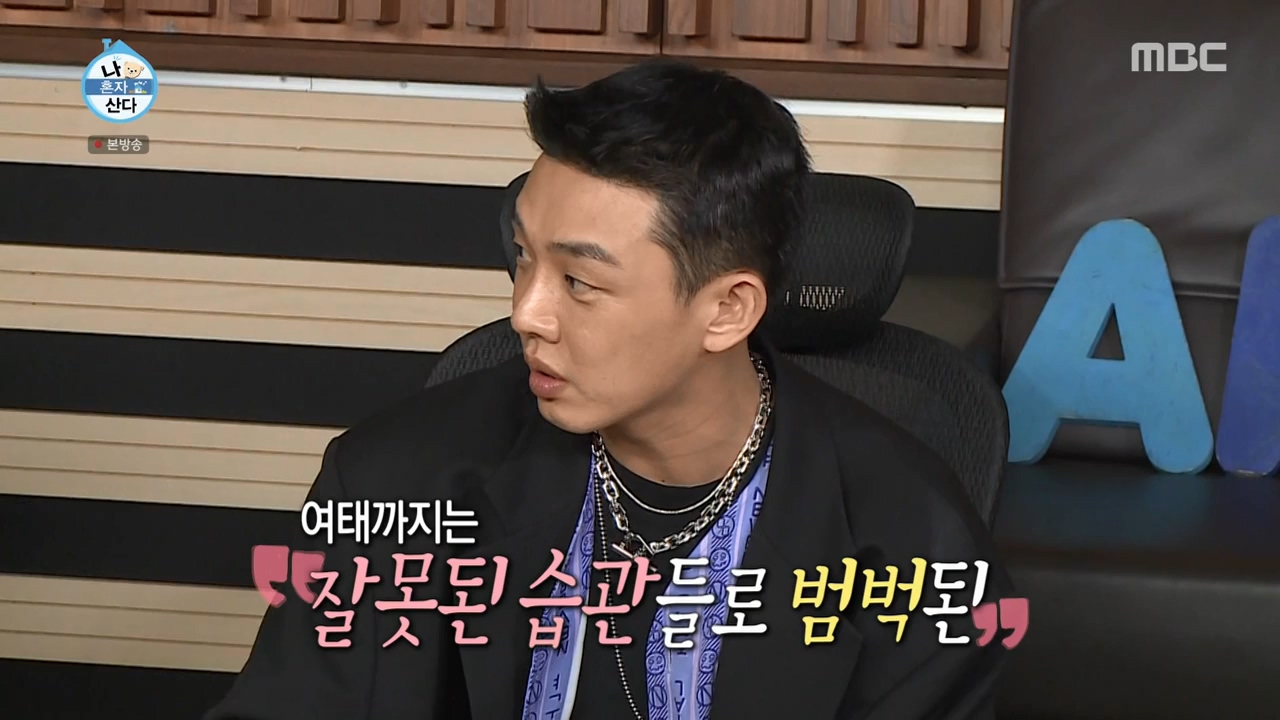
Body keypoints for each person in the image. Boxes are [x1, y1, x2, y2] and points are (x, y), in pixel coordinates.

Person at [205, 59, 1012, 720]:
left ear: (727, 310)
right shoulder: (394, 482)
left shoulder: (914, 546)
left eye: (580, 282)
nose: (526, 313)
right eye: (523, 256)